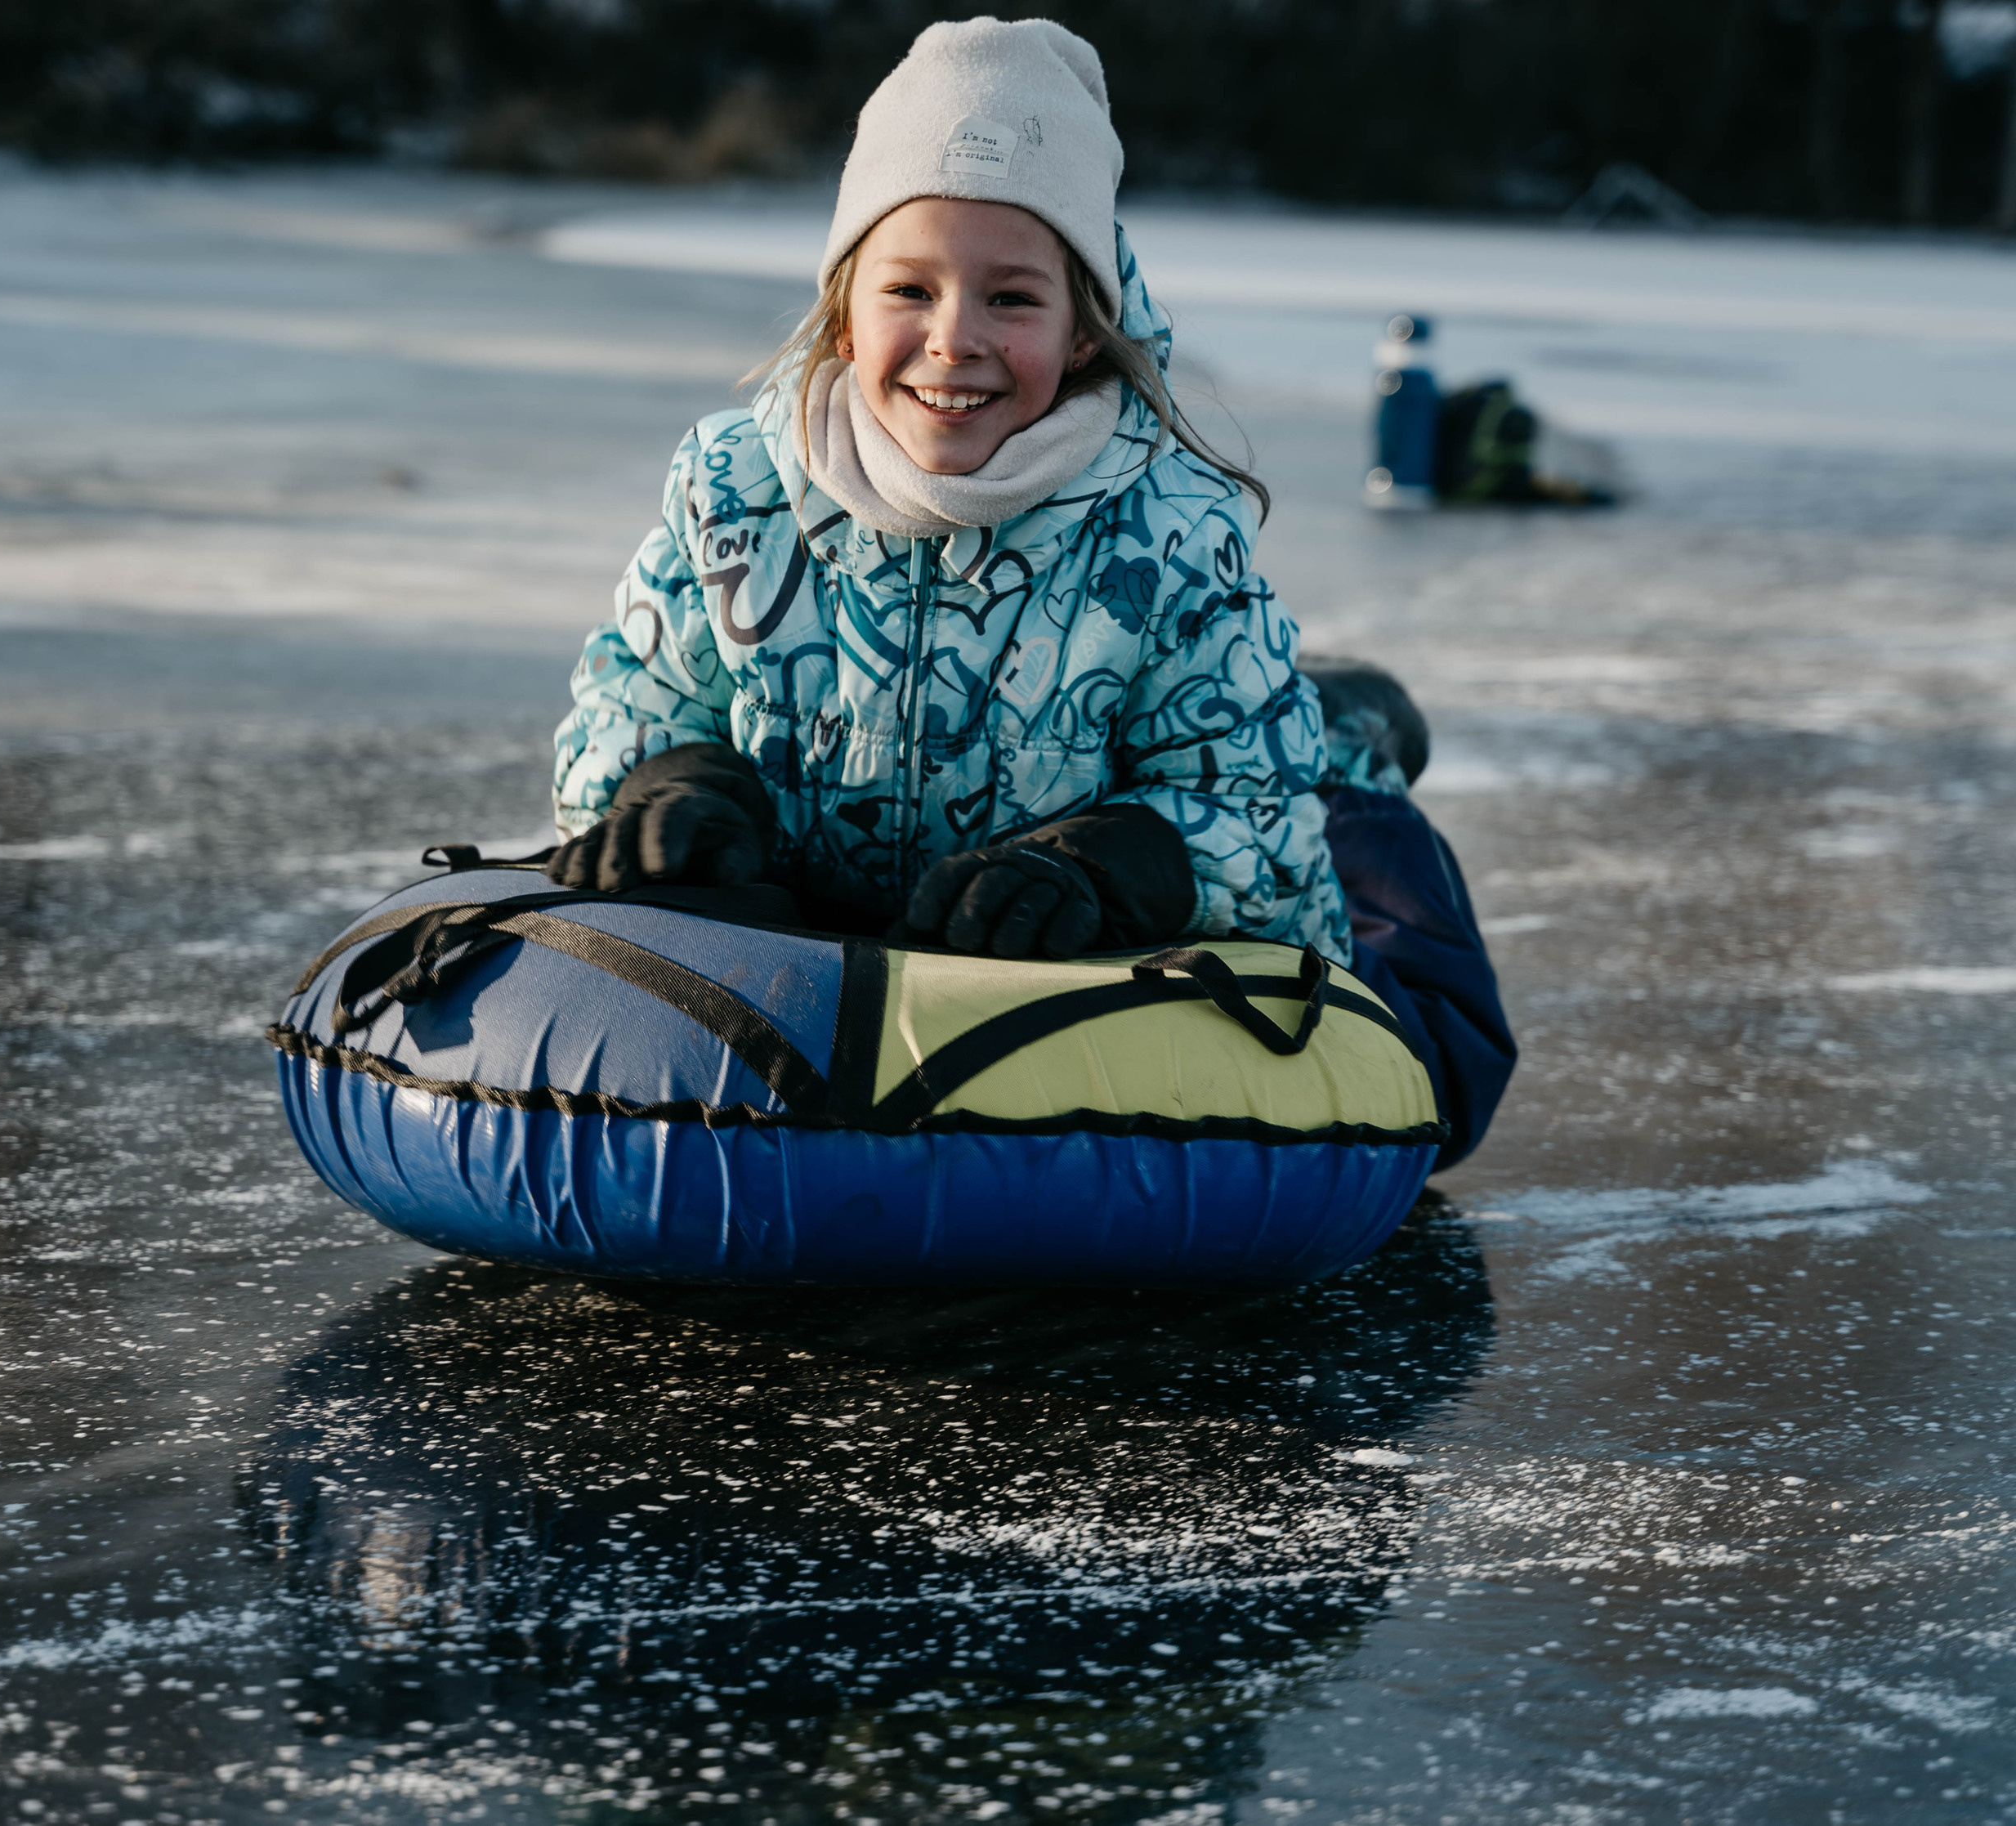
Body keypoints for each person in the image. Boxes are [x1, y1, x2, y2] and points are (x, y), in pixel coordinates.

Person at [548, 16, 1513, 1169]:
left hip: (1102, 949)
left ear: (1085, 333)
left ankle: (1350, 749)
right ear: (846, 311)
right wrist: (672, 782)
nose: (953, 339)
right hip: (835, 962)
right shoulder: (732, 490)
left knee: (1439, 1073)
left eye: (1011, 299)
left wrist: (1107, 867)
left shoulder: (1170, 531)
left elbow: (1255, 816)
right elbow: (634, 701)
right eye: (910, 289)